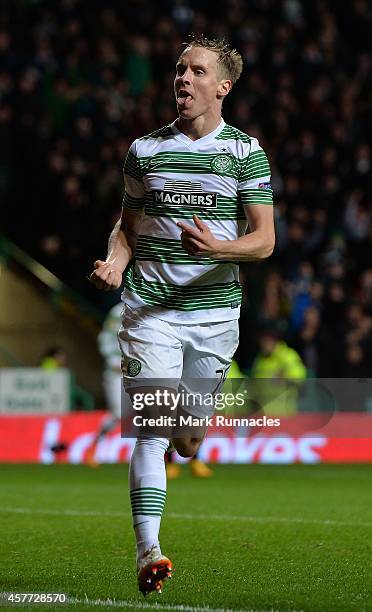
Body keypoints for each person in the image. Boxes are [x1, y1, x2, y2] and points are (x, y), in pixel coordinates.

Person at [90, 35, 275, 596]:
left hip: (215, 316)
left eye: (197, 72)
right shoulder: (145, 150)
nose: (183, 80)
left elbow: (264, 241)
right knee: (149, 429)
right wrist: (116, 262)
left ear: (223, 86)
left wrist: (218, 249)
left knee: (188, 440)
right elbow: (128, 226)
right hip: (151, 312)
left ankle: (187, 439)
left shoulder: (245, 152)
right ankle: (149, 550)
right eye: (179, 70)